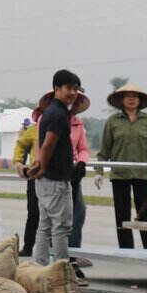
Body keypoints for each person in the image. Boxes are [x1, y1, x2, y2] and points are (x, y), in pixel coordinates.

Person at [26, 69, 82, 266]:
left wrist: (40, 167)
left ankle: (39, 267)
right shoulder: (59, 115)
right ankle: (61, 270)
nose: (73, 93)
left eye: (76, 89)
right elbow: (48, 144)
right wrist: (42, 167)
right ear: (56, 89)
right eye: (69, 88)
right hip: (56, 180)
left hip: (47, 180)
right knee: (61, 228)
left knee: (45, 225)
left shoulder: (50, 112)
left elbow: (45, 144)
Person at [99, 83, 147, 251]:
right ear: (121, 100)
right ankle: (126, 250)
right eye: (128, 96)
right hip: (120, 175)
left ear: (140, 100)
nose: (132, 99)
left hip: (142, 175)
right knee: (122, 215)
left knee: (145, 214)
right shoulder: (113, 122)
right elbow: (104, 149)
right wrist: (99, 172)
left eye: (135, 96)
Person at [67, 91, 92, 267]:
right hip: (57, 173)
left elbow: (83, 148)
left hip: (74, 174)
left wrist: (82, 163)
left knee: (78, 213)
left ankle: (74, 254)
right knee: (58, 218)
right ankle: (58, 257)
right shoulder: (50, 118)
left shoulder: (78, 124)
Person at [13, 111, 41, 257]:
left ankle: (50, 248)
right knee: (33, 213)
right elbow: (21, 145)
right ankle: (28, 246)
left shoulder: (62, 125)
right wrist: (18, 162)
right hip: (35, 176)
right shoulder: (34, 129)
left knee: (52, 216)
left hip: (55, 176)